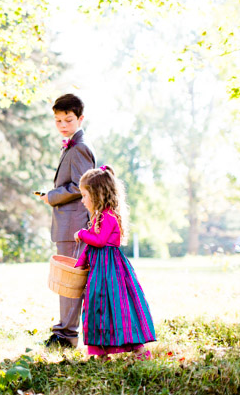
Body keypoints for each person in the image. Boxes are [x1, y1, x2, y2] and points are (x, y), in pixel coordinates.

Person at [73, 165, 156, 359]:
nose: (82, 200)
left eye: (85, 195)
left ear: (98, 195)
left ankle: (139, 350)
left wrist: (82, 234)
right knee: (97, 306)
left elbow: (99, 241)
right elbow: (92, 246)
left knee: (119, 306)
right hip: (99, 271)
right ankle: (101, 352)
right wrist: (80, 264)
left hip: (111, 272)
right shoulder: (98, 218)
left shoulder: (108, 217)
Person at [39, 93, 96, 348]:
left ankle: (66, 335)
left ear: (80, 119)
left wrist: (52, 197)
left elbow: (81, 186)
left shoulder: (81, 147)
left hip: (75, 225)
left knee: (70, 280)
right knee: (66, 280)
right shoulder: (71, 145)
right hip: (67, 224)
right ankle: (65, 331)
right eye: (58, 120)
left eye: (68, 120)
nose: (63, 125)